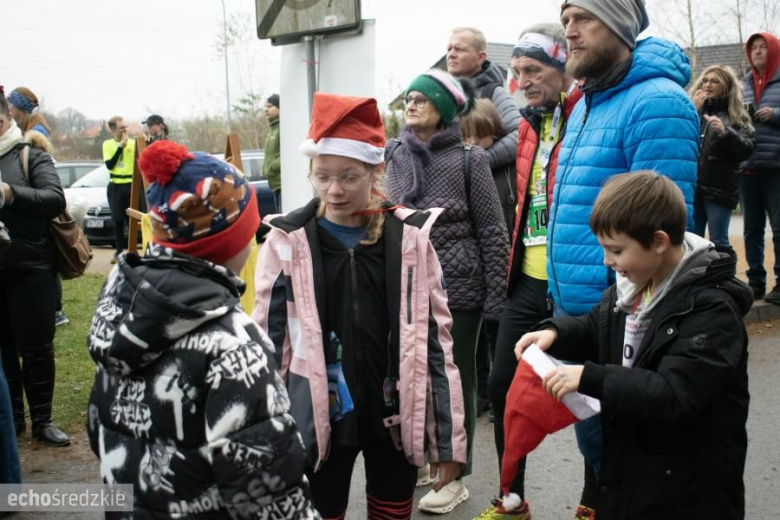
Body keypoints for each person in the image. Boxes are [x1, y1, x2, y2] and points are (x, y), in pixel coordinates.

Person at [253, 92, 467, 519]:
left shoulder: (409, 240)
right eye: (322, 176)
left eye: (350, 176)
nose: (335, 190)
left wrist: (446, 440)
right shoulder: (286, 242)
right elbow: (268, 347)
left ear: (377, 170)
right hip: (317, 419)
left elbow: (435, 342)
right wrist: (265, 435)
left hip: (394, 417)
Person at [87, 140, 318, 519]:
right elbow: (265, 486)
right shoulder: (233, 343)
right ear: (233, 241)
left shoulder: (123, 310)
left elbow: (99, 424)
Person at [516, 172, 751, 520]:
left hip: (689, 488)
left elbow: (674, 394)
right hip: (635, 470)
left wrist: (591, 377)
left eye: (616, 250)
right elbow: (598, 328)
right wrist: (555, 332)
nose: (606, 261)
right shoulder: (633, 287)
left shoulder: (711, 310)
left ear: (657, 241)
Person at [552, 2, 700, 516]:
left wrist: (628, 314)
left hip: (625, 322)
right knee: (601, 457)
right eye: (565, 16)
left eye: (584, 17)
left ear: (619, 25)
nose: (569, 29)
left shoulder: (657, 102)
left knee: (634, 469)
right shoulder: (586, 101)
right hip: (586, 319)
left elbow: (662, 234)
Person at [470, 24, 583, 520]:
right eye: (517, 72)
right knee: (501, 386)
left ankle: (593, 502)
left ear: (563, 68)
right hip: (527, 281)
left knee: (587, 396)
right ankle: (512, 498)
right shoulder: (527, 127)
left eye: (534, 71)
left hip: (574, 284)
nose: (524, 82)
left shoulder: (585, 117)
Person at [385, 70, 509, 514]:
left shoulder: (468, 159)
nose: (411, 104)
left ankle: (456, 474)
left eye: (422, 98)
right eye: (408, 98)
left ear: (444, 108)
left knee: (456, 379)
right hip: (405, 280)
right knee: (407, 371)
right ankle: (422, 456)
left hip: (460, 282)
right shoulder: (394, 152)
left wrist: (496, 296)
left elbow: (493, 230)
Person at [0, 88, 69, 447]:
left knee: (38, 348)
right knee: (4, 350)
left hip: (32, 269)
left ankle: (43, 419)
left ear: (8, 118)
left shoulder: (29, 153)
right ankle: (13, 420)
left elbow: (54, 199)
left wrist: (11, 193)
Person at [459, 98, 516, 422]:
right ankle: (480, 394)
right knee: (476, 338)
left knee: (498, 331)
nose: (473, 146)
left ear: (494, 134)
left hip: (503, 259)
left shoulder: (506, 166)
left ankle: (499, 394)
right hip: (472, 263)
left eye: (479, 138)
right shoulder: (462, 168)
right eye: (466, 138)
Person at [6, 87, 68, 327]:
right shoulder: (28, 128)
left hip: (39, 198)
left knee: (47, 254)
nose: (9, 109)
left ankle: (55, 310)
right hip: (34, 198)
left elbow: (40, 171)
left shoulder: (35, 132)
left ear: (19, 107)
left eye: (11, 105)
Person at [689, 66, 755, 249]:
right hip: (693, 187)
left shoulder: (737, 114)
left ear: (725, 86)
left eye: (714, 81)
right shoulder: (694, 110)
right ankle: (697, 278)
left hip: (720, 188)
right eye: (705, 80)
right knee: (693, 243)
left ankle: (724, 278)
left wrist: (726, 133)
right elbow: (676, 138)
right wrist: (692, 111)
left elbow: (747, 149)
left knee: (719, 242)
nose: (708, 84)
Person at [739, 32, 780, 304]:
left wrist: (774, 114)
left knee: (779, 228)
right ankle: (755, 283)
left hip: (776, 167)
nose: (757, 52)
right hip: (747, 167)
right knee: (751, 230)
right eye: (753, 48)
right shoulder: (742, 82)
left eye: (762, 47)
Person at [447, 28, 522, 174]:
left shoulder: (494, 93)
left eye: (459, 49)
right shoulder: (442, 96)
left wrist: (480, 161)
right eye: (449, 49)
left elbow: (520, 134)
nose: (451, 54)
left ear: (480, 58)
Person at [102, 116, 136, 263]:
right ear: (113, 129)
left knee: (133, 219)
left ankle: (132, 251)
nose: (124, 130)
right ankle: (119, 251)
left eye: (125, 127)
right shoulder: (108, 144)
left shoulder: (134, 143)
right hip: (115, 185)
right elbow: (110, 165)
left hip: (131, 185)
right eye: (121, 127)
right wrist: (120, 148)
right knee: (118, 220)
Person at [264, 94, 282, 213]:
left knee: (284, 223)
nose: (266, 109)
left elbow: (288, 154)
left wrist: (272, 167)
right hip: (274, 184)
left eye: (270, 106)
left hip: (282, 184)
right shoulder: (272, 129)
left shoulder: (283, 127)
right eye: (265, 106)